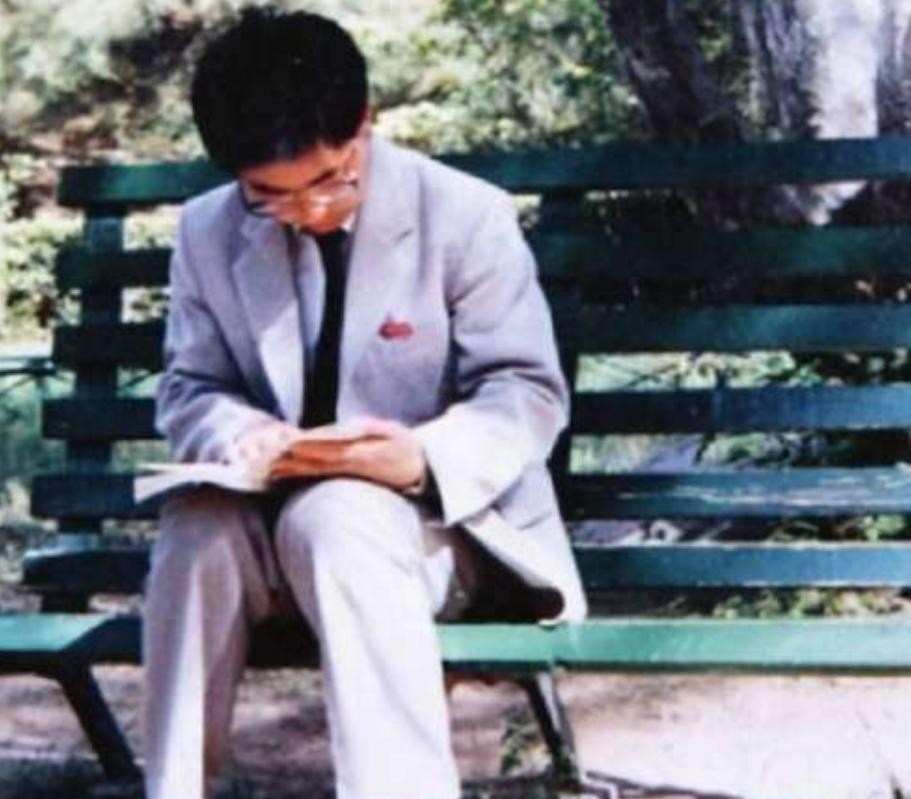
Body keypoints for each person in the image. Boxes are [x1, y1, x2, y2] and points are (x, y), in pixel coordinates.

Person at [144, 8, 587, 799]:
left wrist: (420, 457)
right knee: (195, 527)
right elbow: (188, 386)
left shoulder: (463, 214)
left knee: (339, 514)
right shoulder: (207, 230)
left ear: (365, 124)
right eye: (268, 196)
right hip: (267, 526)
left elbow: (525, 389)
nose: (307, 210)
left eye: (328, 179)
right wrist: (240, 432)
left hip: (435, 530)